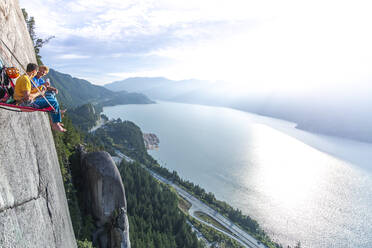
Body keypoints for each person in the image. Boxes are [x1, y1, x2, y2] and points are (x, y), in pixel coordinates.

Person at [14, 63, 66, 132]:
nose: (38, 72)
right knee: (53, 102)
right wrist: (39, 92)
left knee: (52, 97)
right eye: (37, 71)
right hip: (24, 104)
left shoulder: (25, 77)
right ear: (34, 71)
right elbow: (27, 98)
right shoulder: (26, 80)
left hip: (26, 99)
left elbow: (29, 93)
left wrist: (44, 89)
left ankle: (55, 116)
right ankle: (55, 123)